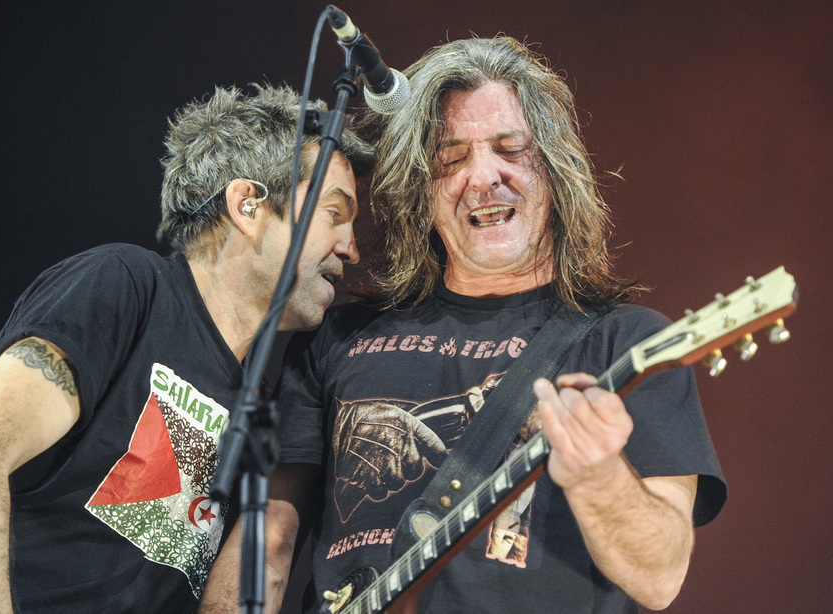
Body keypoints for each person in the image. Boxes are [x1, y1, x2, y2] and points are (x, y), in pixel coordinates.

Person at [202, 37, 726, 613]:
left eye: (511, 149)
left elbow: (660, 576)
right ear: (420, 191)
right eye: (451, 160)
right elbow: (268, 542)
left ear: (556, 172)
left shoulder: (627, 343)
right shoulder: (340, 336)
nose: (483, 177)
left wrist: (599, 475)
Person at [0, 84, 374, 613]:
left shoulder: (261, 404)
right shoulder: (124, 284)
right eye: (334, 213)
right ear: (247, 205)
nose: (351, 248)